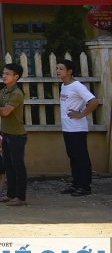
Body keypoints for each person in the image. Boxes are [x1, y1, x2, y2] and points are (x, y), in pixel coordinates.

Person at [56, 59, 99, 196]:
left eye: (61, 69)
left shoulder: (77, 86)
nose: (58, 71)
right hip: (67, 128)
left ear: (70, 71)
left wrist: (81, 114)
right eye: (57, 68)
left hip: (77, 128)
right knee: (73, 157)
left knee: (81, 158)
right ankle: (76, 184)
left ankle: (85, 186)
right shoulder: (64, 86)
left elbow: (93, 102)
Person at [0, 63, 27, 206]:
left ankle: (21, 196)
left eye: (8, 74)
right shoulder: (4, 91)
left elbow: (5, 111)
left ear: (16, 77)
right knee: (8, 165)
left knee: (18, 166)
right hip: (6, 133)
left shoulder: (17, 93)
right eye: (4, 73)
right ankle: (10, 194)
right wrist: (1, 109)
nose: (4, 76)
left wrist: (1, 109)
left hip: (17, 135)